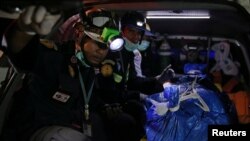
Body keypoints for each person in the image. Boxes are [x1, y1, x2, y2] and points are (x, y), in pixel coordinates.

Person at [0, 5, 116, 141]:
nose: (101, 51)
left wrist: (106, 108)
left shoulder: (87, 67)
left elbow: (86, 101)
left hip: (69, 126)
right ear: (79, 35)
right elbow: (22, 54)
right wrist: (24, 30)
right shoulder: (55, 57)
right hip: (35, 130)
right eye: (96, 42)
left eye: (106, 46)